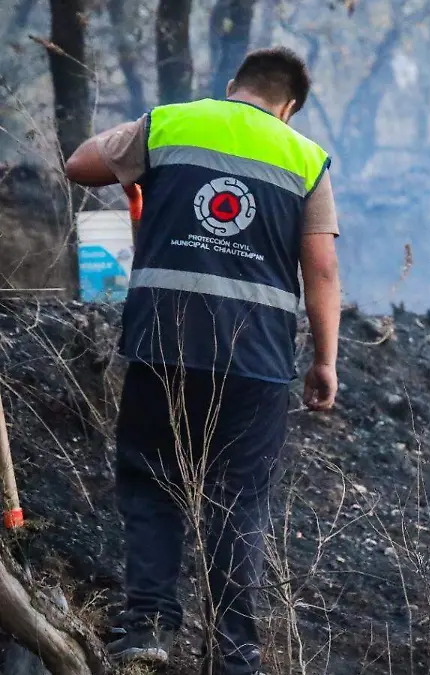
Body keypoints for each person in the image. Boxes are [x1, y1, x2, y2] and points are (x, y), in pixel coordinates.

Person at [64, 46, 341, 675]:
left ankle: (149, 628)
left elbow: (81, 164)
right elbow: (321, 269)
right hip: (258, 360)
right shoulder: (305, 158)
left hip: (164, 341)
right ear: (289, 107)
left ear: (231, 85)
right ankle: (234, 657)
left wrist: (138, 150)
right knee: (238, 502)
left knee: (153, 482)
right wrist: (324, 361)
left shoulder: (169, 123)